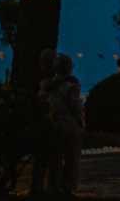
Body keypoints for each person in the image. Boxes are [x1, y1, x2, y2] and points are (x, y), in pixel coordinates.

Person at [44, 54, 84, 195]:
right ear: (68, 67)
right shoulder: (72, 83)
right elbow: (76, 105)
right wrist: (81, 121)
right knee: (71, 158)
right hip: (70, 125)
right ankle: (67, 187)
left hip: (54, 125)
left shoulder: (51, 83)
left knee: (55, 158)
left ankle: (54, 186)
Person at [30, 50, 58, 194]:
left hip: (47, 118)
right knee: (40, 156)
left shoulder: (51, 76)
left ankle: (41, 186)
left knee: (43, 156)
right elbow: (46, 86)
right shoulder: (43, 76)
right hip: (41, 118)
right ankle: (37, 186)